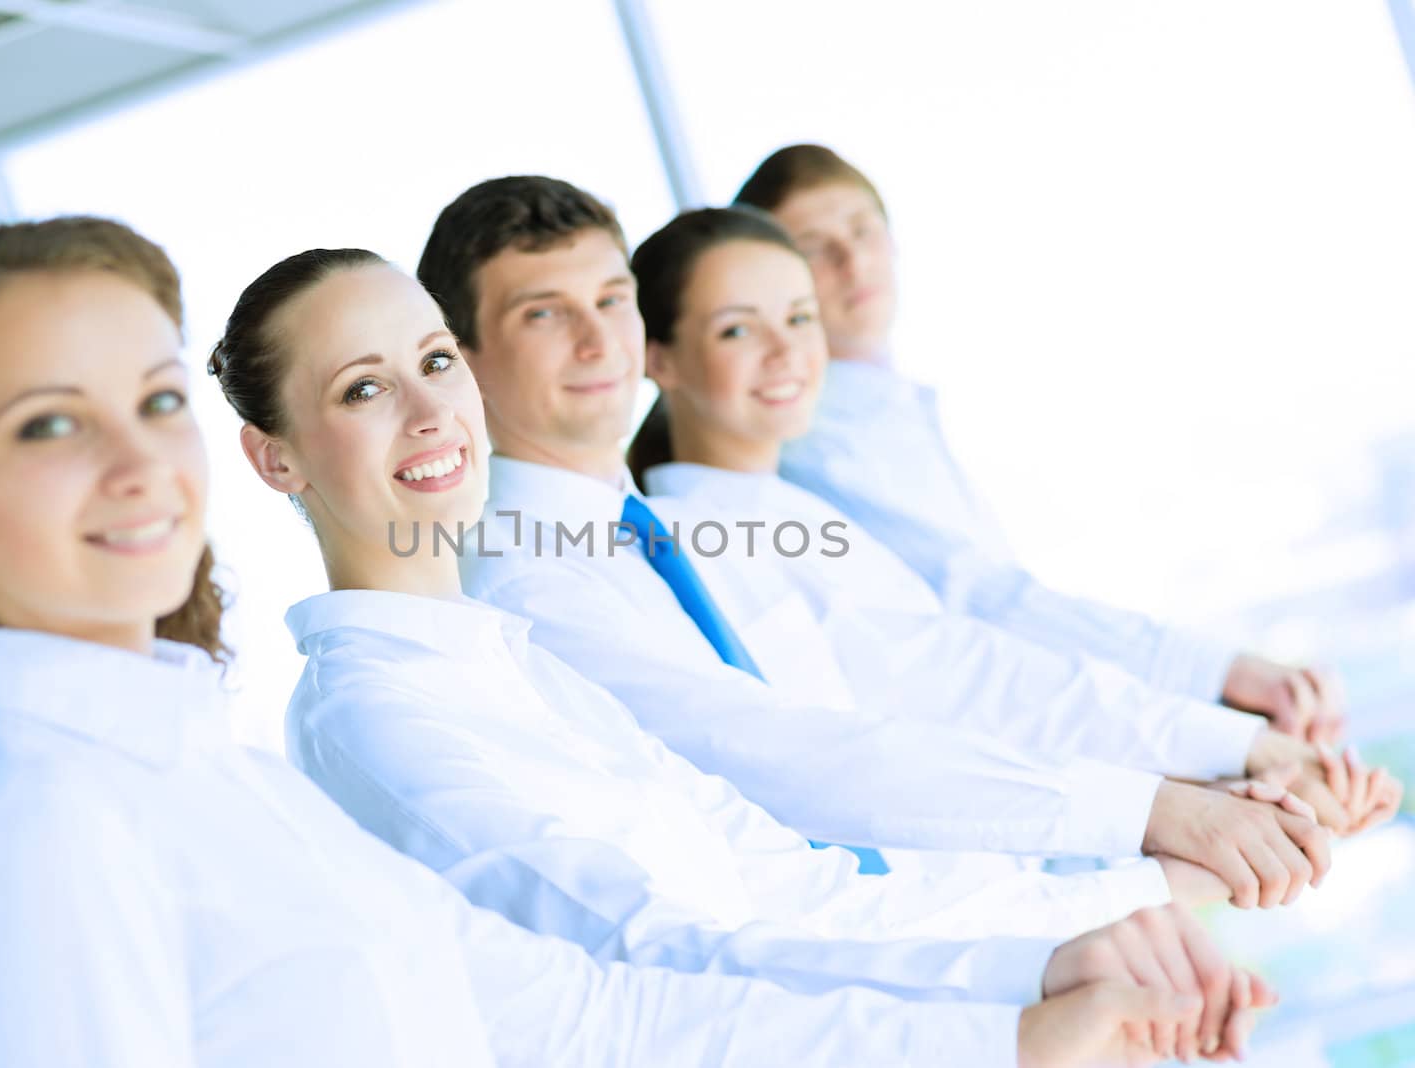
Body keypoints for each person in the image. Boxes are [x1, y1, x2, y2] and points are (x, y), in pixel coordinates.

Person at [0, 216, 1165, 1068]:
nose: (134, 465)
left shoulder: (205, 772)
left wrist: (1014, 1013)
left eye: (155, 400)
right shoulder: (50, 820)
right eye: (50, 425)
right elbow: (648, 948)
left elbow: (592, 1013)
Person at [213, 244, 1271, 1064]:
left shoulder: (513, 665)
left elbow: (792, 886)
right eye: (363, 388)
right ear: (274, 457)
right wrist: (1012, 1010)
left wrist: (1109, 909)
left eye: (434, 361)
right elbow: (648, 953)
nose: (431, 408)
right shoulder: (374, 716)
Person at [423, 175, 1341, 908]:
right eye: (542, 313)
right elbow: (786, 760)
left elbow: (929, 668)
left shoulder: (654, 536)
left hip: (969, 934)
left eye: (610, 298)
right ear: (462, 359)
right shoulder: (530, 577)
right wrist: (1150, 827)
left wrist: (1191, 789)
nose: (597, 342)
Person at [625, 205, 1402, 849]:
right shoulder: (712, 540)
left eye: (798, 317)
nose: (786, 351)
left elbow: (978, 682)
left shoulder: (786, 513)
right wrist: (1216, 762)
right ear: (656, 356)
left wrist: (1220, 773)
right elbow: (964, 685)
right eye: (736, 330)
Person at [736, 143, 1347, 745]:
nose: (853, 261)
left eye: (863, 229)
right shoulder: (819, 447)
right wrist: (1215, 676)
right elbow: (983, 601)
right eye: (814, 247)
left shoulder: (889, 409)